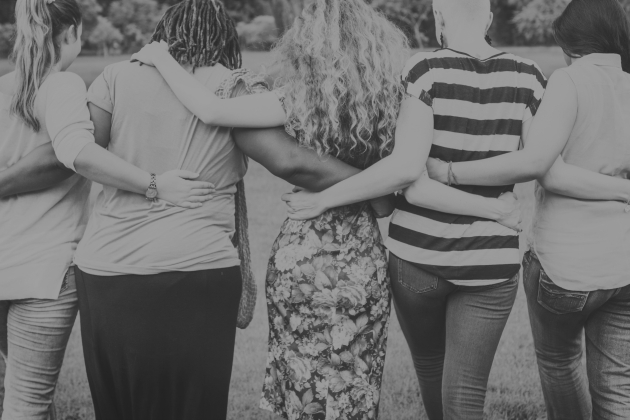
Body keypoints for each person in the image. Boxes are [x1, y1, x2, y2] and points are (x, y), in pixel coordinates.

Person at [132, 0, 524, 418]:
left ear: (307, 46)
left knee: (300, 386)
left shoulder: (299, 99)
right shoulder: (394, 101)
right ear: (375, 46)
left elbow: (211, 110)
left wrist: (161, 57)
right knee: (354, 387)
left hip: (303, 256)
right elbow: (402, 179)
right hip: (362, 261)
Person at [278, 0, 628, 417]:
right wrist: (496, 212)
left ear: (438, 18)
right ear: (490, 20)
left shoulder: (424, 70)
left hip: (416, 259)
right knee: (465, 391)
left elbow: (409, 176)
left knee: (430, 367)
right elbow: (541, 163)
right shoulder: (530, 76)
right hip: (490, 262)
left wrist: (322, 199)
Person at [0, 0, 212, 419]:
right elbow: (76, 152)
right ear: (71, 32)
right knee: (26, 407)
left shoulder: (4, 86)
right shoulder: (62, 85)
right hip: (42, 270)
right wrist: (154, 184)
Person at [421, 0, 630, 418]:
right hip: (623, 264)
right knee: (617, 384)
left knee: (559, 359)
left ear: (572, 42)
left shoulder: (569, 81)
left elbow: (542, 168)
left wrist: (449, 172)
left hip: (565, 265)